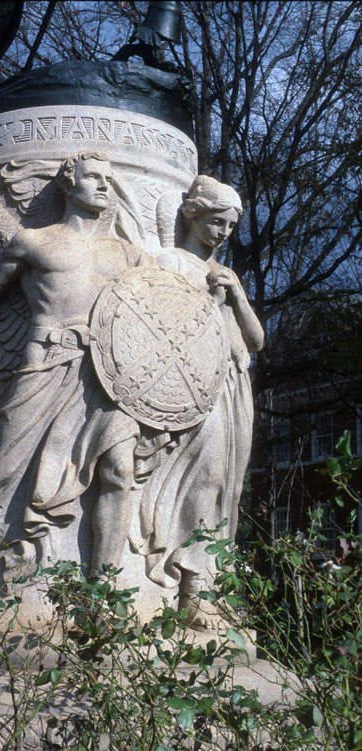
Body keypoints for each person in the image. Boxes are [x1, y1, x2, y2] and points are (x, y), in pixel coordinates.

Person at [0, 151, 152, 604]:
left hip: (109, 375)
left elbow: (157, 313)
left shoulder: (128, 255)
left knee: (118, 471)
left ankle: (104, 595)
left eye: (109, 180)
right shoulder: (35, 242)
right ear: (68, 184)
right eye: (94, 177)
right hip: (45, 363)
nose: (104, 186)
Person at [139, 175, 264, 629]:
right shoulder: (169, 262)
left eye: (231, 226)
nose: (224, 233)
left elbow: (256, 341)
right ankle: (190, 586)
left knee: (227, 489)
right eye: (217, 222)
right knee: (205, 479)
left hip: (234, 386)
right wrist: (207, 300)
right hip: (194, 386)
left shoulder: (229, 274)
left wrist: (236, 295)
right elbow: (162, 329)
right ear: (192, 215)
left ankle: (210, 582)